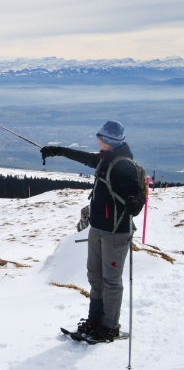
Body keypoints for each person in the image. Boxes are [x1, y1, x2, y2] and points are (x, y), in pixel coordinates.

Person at [41, 120, 145, 342]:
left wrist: (136, 202)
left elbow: (137, 192)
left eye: (99, 136)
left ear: (107, 140)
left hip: (115, 233)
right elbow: (83, 157)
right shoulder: (105, 159)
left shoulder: (122, 164)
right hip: (97, 228)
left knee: (111, 281)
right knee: (95, 277)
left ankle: (109, 327)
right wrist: (58, 151)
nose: (96, 139)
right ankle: (95, 320)